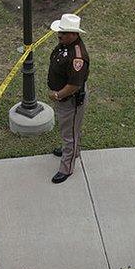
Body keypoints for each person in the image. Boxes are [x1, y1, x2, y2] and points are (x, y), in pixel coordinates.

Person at [46, 13, 90, 184]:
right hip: (65, 99)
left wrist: (57, 95)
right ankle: (73, 151)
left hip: (70, 100)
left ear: (74, 34)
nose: (59, 36)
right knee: (70, 130)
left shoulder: (77, 57)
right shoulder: (65, 44)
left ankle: (67, 167)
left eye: (63, 33)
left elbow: (74, 85)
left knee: (69, 134)